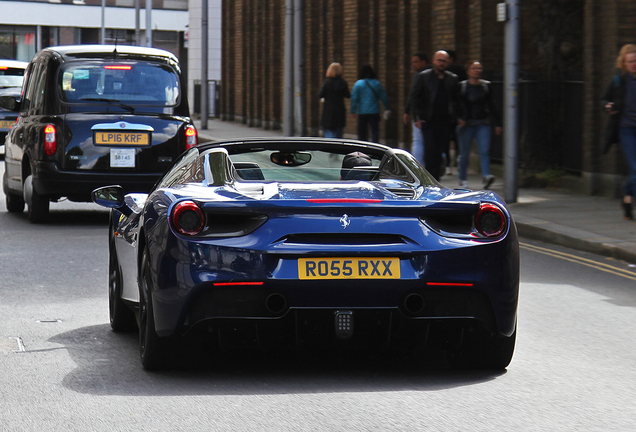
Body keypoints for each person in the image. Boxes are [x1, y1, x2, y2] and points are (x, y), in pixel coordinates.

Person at [411, 50, 458, 180]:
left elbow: (456, 100)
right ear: (433, 61)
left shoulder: (452, 79)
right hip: (428, 120)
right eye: (439, 60)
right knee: (430, 149)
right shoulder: (424, 77)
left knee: (440, 150)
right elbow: (415, 97)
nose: (441, 63)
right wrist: (417, 117)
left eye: (444, 61)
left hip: (445, 121)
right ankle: (430, 178)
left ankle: (436, 178)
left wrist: (457, 117)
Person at [602, 44, 636, 220]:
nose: (633, 64)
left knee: (634, 171)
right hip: (626, 130)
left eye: (635, 61)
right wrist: (608, 106)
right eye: (630, 61)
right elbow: (605, 99)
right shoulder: (618, 81)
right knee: (635, 168)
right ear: (623, 63)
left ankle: (627, 199)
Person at [456, 60, 502, 190]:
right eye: (474, 68)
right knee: (464, 153)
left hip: (483, 122)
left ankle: (486, 176)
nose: (477, 71)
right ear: (468, 71)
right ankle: (463, 178)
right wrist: (460, 117)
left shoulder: (486, 86)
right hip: (467, 123)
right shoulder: (462, 86)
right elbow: (457, 104)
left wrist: (497, 123)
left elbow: (493, 105)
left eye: (479, 68)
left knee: (484, 150)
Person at [350, 64, 390, 143]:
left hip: (362, 111)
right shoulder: (376, 83)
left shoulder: (358, 84)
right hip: (374, 111)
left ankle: (362, 147)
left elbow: (354, 98)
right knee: (375, 131)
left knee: (362, 132)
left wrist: (353, 110)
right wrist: (387, 108)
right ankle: (375, 146)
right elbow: (383, 96)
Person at [403, 52, 429, 165]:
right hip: (428, 113)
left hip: (421, 114)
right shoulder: (431, 75)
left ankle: (418, 167)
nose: (414, 64)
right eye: (413, 62)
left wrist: (408, 111)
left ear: (424, 62)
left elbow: (413, 95)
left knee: (418, 141)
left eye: (416, 62)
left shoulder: (420, 76)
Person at [319, 62, 350, 138]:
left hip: (328, 110)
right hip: (339, 110)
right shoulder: (343, 82)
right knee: (338, 132)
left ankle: (330, 145)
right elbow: (348, 95)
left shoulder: (327, 82)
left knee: (328, 131)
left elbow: (320, 94)